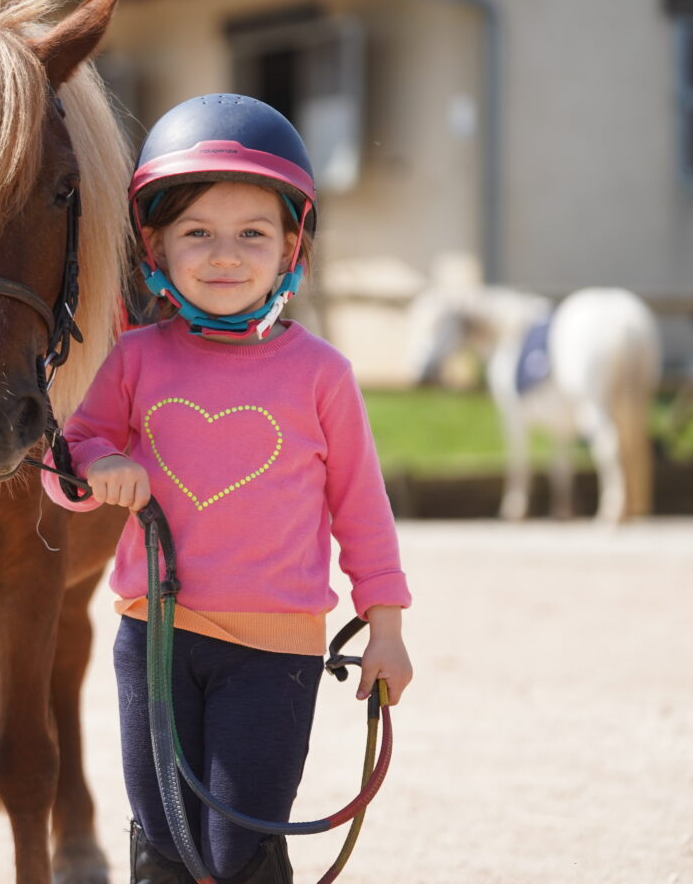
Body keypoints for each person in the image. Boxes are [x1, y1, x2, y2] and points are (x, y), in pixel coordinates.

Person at [42, 94, 413, 883]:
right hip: (154, 639)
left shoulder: (323, 375)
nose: (224, 255)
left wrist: (384, 628)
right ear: (157, 247)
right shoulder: (135, 359)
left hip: (273, 652)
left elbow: (363, 512)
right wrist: (100, 468)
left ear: (290, 248)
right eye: (197, 234)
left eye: (252, 234)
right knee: (165, 845)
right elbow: (68, 461)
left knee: (237, 849)